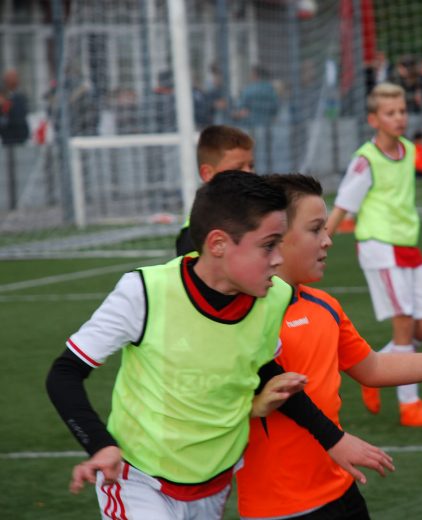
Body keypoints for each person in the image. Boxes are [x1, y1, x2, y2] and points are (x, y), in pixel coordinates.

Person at [46, 171, 389, 520]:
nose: (278, 258)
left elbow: (263, 367)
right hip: (138, 480)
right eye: (268, 245)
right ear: (218, 244)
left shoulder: (274, 298)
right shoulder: (145, 293)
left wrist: (333, 439)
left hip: (213, 487)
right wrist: (100, 445)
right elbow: (64, 373)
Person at [236, 173, 422, 519]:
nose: (328, 241)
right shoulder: (243, 318)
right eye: (315, 230)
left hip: (342, 489)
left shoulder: (324, 305)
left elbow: (373, 367)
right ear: (275, 235)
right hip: (279, 508)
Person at [326, 82, 422, 427]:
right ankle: (410, 406)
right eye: (390, 113)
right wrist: (322, 241)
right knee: (404, 322)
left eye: (402, 111)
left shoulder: (409, 149)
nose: (399, 118)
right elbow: (342, 206)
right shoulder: (366, 160)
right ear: (374, 120)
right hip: (378, 246)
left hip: (408, 244)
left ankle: (376, 367)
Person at [175, 124, 255, 255]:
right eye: (238, 168)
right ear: (208, 174)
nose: (249, 173)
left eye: (251, 166)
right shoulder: (194, 235)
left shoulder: (259, 214)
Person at [0, 68, 30, 210]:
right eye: (9, 78)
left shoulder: (20, 97)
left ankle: (20, 200)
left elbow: (20, 116)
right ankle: (13, 202)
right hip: (8, 139)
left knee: (21, 170)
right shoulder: (5, 97)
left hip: (20, 137)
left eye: (14, 78)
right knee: (10, 172)